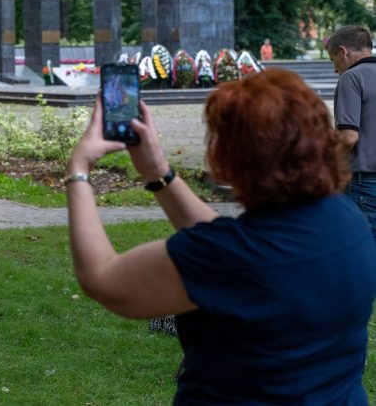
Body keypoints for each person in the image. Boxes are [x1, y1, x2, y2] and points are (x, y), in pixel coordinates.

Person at [66, 68, 376, 403]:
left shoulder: (231, 259)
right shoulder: (348, 221)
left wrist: (79, 169)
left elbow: (102, 278)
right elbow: (232, 244)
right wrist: (159, 173)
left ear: (227, 160)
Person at [327, 25, 376, 238]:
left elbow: (348, 137)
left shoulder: (352, 77)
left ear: (343, 51)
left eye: (333, 60)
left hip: (365, 185)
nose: (335, 69)